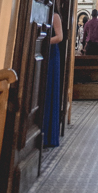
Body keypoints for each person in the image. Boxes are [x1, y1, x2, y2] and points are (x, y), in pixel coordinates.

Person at [42, 13, 63, 147]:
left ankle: (49, 135)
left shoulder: (55, 16)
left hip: (52, 55)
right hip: (43, 53)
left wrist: (43, 40)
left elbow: (59, 37)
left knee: (50, 91)